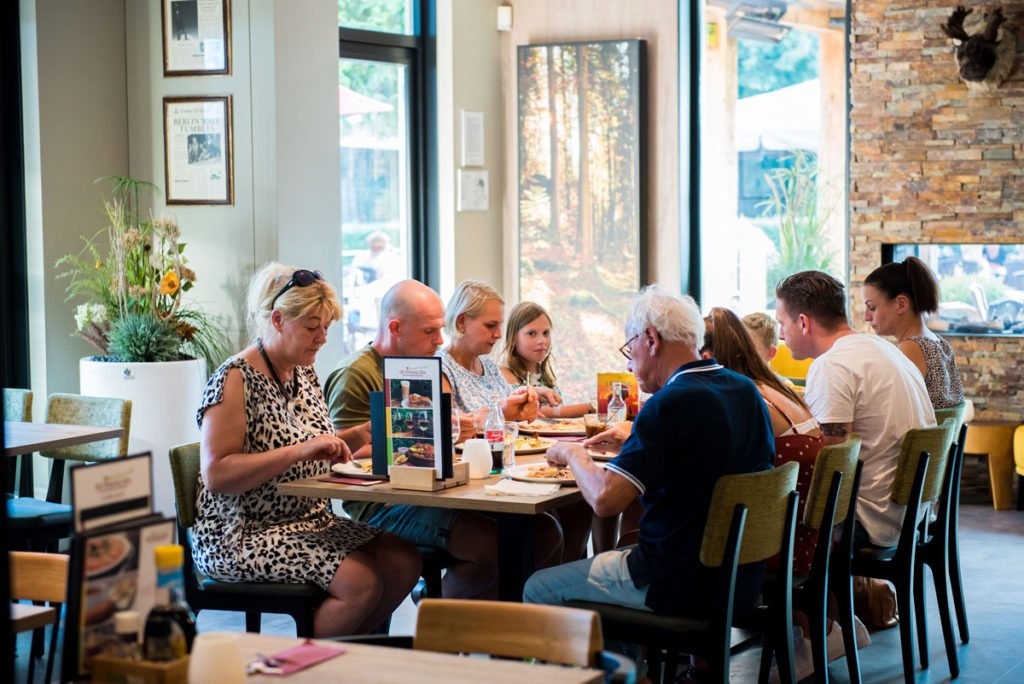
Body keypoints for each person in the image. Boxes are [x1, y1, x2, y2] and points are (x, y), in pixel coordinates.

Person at [194, 263, 420, 637]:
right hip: (244, 533)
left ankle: (346, 658)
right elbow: (217, 474)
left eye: (327, 328)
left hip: (309, 519)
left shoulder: (302, 371)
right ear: (278, 320)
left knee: (403, 560)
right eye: (312, 328)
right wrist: (299, 451)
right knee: (360, 582)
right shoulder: (235, 378)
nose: (322, 338)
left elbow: (318, 449)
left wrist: (364, 433)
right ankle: (303, 668)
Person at [524, 286, 775, 619]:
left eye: (630, 348)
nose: (629, 363)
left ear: (652, 340)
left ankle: (611, 671)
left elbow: (604, 500)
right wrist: (635, 446)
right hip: (739, 577)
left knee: (537, 587)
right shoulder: (745, 390)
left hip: (674, 580)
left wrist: (573, 454)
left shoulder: (667, 405)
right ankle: (628, 667)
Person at [324, 279, 560, 598]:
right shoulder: (356, 374)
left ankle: (484, 625)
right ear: (395, 328)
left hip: (432, 486)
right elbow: (345, 458)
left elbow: (436, 435)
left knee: (545, 532)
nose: (439, 339)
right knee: (493, 546)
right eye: (429, 331)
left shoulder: (419, 366)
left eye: (440, 330)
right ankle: (443, 628)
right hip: (385, 501)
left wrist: (450, 431)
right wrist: (432, 436)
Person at [775, 271, 935, 549]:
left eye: (781, 323)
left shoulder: (833, 365)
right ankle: (854, 591)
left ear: (803, 322)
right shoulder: (885, 349)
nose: (780, 334)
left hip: (868, 521)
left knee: (751, 523)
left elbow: (827, 457)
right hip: (908, 513)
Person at [863, 257, 964, 409]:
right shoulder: (940, 343)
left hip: (919, 433)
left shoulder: (911, 348)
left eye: (872, 307)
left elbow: (894, 411)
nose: (866, 317)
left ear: (901, 304)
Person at [439, 281, 547, 418]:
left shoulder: (489, 366)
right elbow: (450, 429)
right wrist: (502, 413)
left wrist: (524, 400)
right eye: (490, 326)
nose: (499, 334)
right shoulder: (441, 370)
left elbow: (510, 406)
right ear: (461, 322)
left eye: (499, 326)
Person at [499, 301, 593, 419]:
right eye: (532, 333)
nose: (541, 340)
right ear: (513, 338)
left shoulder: (545, 376)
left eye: (546, 333)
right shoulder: (505, 374)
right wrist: (589, 408)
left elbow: (557, 410)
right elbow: (542, 412)